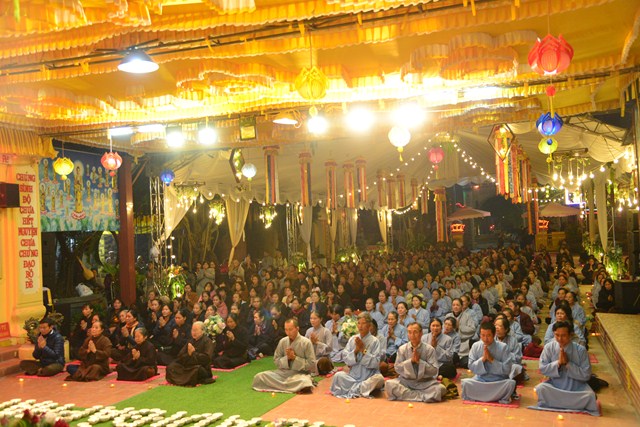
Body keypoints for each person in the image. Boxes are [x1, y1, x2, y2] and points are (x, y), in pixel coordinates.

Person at [533, 321, 600, 416]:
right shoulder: (549, 347)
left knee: (590, 395)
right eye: (557, 335)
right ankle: (574, 405)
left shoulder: (581, 350)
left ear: (570, 335)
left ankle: (556, 403)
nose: (560, 339)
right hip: (555, 386)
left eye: (563, 335)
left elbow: (586, 375)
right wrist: (558, 363)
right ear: (553, 333)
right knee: (541, 389)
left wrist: (568, 364)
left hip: (577, 389)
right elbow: (542, 369)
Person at [386, 322, 447, 403]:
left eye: (415, 332)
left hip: (425, 382)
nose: (412, 335)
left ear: (421, 333)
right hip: (406, 382)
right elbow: (397, 368)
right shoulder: (402, 349)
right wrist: (410, 361)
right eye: (409, 332)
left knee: (441, 389)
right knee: (389, 384)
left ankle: (409, 395)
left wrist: (420, 362)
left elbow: (434, 370)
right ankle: (422, 396)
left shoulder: (429, 349)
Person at [252, 318, 316, 393]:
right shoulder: (283, 341)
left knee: (304, 382)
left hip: (300, 374)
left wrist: (295, 358)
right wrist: (287, 358)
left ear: (297, 329)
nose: (288, 332)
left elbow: (312, 364)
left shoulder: (306, 342)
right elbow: (276, 360)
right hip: (283, 374)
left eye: (290, 329)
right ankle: (292, 387)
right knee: (259, 376)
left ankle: (285, 386)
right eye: (286, 330)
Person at [330, 312, 385, 399]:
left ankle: (356, 388)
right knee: (338, 375)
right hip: (353, 376)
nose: (360, 326)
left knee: (379, 379)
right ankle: (360, 389)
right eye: (359, 323)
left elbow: (375, 363)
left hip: (369, 376)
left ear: (369, 325)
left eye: (363, 323)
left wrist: (363, 350)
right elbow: (346, 358)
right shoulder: (353, 339)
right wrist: (356, 350)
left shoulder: (375, 341)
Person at [461, 322, 516, 404]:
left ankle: (480, 396)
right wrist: (483, 359)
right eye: (483, 335)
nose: (485, 339)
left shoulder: (503, 347)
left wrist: (491, 359)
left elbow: (507, 369)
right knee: (465, 383)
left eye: (488, 335)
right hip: (480, 380)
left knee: (511, 383)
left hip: (498, 382)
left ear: (494, 335)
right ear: (480, 335)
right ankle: (495, 396)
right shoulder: (476, 346)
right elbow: (471, 366)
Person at [166, 321, 216, 386]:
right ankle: (186, 380)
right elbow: (180, 355)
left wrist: (193, 353)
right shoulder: (190, 341)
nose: (193, 332)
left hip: (201, 367)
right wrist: (188, 355)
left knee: (197, 370)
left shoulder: (207, 341)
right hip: (188, 366)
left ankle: (187, 380)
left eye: (196, 330)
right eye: (192, 330)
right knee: (171, 367)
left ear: (202, 331)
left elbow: (207, 358)